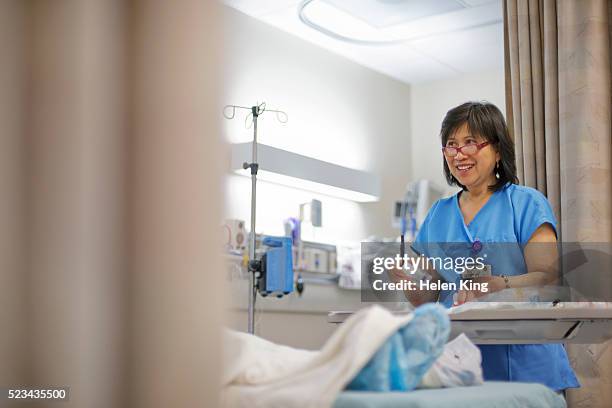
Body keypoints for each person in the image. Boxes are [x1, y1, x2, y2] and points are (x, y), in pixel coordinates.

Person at [390, 101, 579, 392]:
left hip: (525, 362)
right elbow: (428, 297)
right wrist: (409, 283)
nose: (459, 154)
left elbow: (546, 276)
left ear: (498, 149)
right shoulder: (438, 214)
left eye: (470, 143)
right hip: (457, 363)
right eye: (450, 145)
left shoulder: (526, 203)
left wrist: (500, 285)